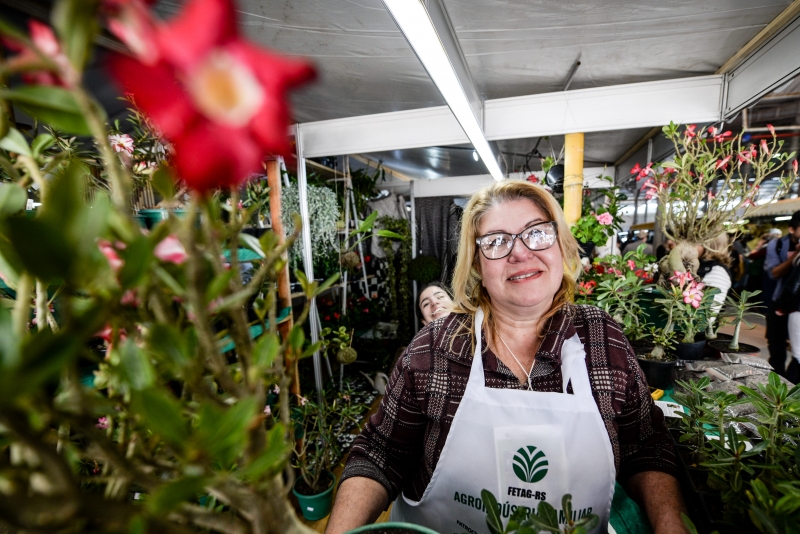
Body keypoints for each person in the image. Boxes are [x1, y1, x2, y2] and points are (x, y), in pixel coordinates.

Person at [326, 181, 686, 534]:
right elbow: (380, 451)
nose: (519, 252)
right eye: (496, 241)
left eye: (537, 233)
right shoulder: (435, 348)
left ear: (561, 246)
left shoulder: (602, 339)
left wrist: (669, 523)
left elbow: (646, 445)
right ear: (478, 266)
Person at [764, 211, 800, 376]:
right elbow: (775, 273)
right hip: (779, 300)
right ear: (792, 229)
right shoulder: (777, 245)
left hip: (797, 307)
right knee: (776, 343)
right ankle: (776, 382)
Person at [697, 234, 733, 323]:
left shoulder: (717, 271)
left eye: (696, 241)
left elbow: (708, 316)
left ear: (710, 244)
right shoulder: (699, 264)